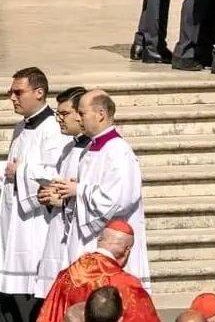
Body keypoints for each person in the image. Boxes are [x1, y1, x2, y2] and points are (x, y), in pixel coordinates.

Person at [56, 91, 150, 291]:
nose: (78, 118)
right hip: (86, 238)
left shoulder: (118, 151)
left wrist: (79, 190)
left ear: (100, 114)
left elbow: (120, 199)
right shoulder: (91, 147)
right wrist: (73, 190)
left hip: (106, 239)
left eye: (82, 113)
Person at [1, 68, 65, 322]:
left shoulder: (53, 128)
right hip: (13, 217)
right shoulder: (20, 126)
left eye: (19, 92)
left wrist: (22, 171)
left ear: (39, 92)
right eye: (11, 93)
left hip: (36, 221)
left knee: (28, 292)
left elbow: (57, 172)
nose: (13, 98)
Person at [36, 220, 159, 322]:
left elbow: (50, 314)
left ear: (99, 240)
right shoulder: (126, 284)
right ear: (127, 250)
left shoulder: (66, 274)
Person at [35, 87, 90, 301]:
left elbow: (105, 196)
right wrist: (48, 194)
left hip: (82, 236)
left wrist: (63, 200)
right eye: (58, 113)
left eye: (64, 114)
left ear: (81, 113)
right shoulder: (69, 149)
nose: (59, 119)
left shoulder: (97, 150)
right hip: (59, 230)